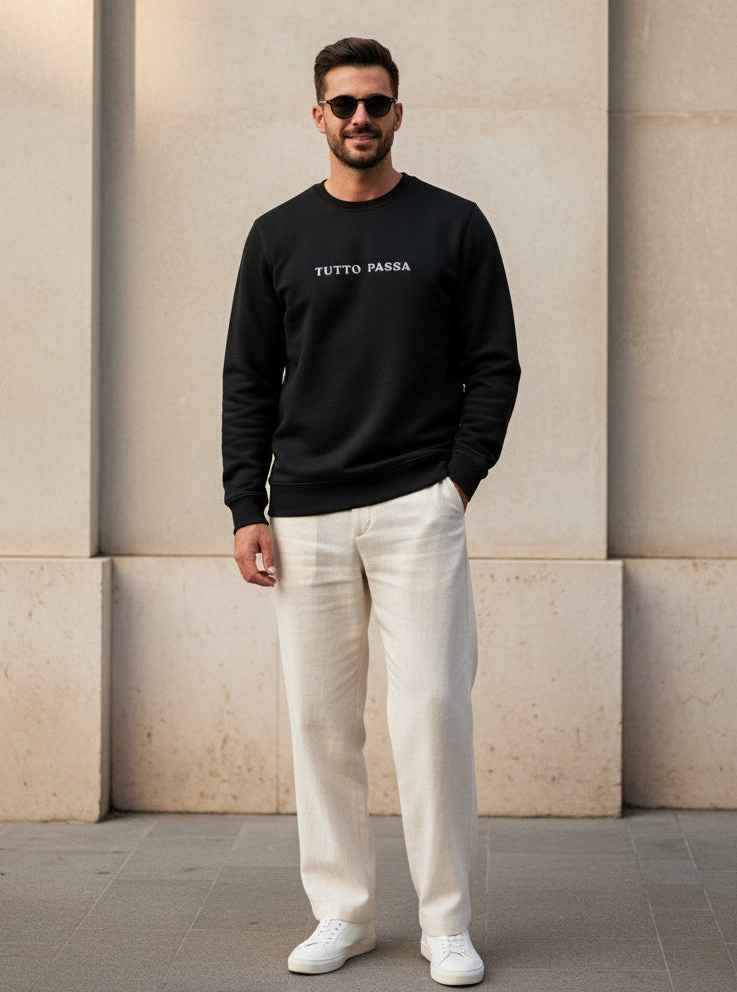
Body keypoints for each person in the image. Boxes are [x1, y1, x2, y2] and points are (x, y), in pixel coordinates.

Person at [222, 37, 519, 986]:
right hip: (304, 511)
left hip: (415, 508)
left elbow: (495, 366)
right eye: (343, 105)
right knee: (319, 722)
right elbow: (247, 382)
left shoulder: (453, 225)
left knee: (431, 710)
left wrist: (456, 484)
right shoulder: (277, 236)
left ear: (399, 113)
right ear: (318, 115)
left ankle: (446, 924)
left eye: (376, 105)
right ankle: (342, 913)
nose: (360, 119)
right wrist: (246, 506)